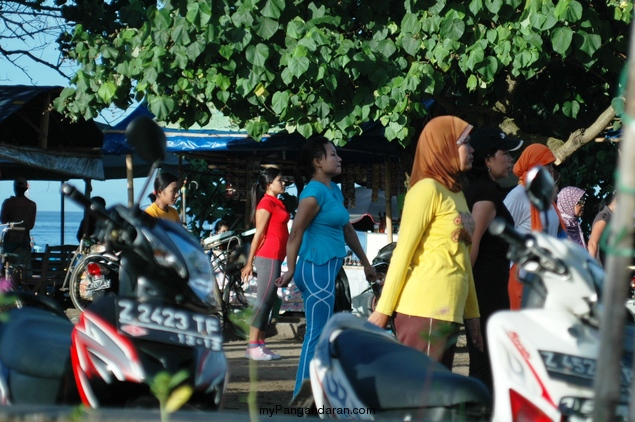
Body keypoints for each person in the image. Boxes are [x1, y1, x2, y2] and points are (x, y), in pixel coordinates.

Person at [368, 115, 482, 371]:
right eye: (465, 143)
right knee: (423, 400)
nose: (472, 150)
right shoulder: (426, 190)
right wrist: (383, 311)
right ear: (445, 146)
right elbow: (402, 254)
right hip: (425, 311)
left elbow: (462, 258)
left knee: (434, 401)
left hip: (448, 312)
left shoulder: (456, 193)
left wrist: (472, 315)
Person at [275, 136, 376, 398]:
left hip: (326, 269)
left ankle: (315, 395)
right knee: (316, 335)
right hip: (315, 268)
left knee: (321, 335)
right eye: (333, 154)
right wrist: (289, 269)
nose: (339, 158)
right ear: (318, 162)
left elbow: (347, 230)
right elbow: (295, 232)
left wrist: (366, 263)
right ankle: (302, 398)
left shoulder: (333, 190)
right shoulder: (313, 192)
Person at [463, 127, 523, 391]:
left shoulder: (482, 190)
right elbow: (470, 247)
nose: (510, 160)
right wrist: (464, 294)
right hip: (485, 293)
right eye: (505, 154)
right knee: (486, 365)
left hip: (488, 290)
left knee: (488, 363)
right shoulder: (486, 195)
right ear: (487, 159)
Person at [503, 144, 563, 309]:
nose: (551, 170)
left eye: (551, 166)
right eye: (546, 166)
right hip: (521, 275)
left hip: (545, 276)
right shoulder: (517, 196)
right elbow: (501, 235)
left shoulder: (546, 197)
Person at [240, 168, 289, 361]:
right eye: (280, 180)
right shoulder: (266, 203)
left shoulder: (277, 202)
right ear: (269, 184)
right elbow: (258, 234)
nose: (283, 183)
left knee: (268, 301)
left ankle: (260, 344)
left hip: (276, 256)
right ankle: (252, 346)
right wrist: (249, 263)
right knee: (263, 301)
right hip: (267, 256)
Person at [1, 177, 37, 275]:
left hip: (10, 243)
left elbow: (3, 220)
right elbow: (30, 225)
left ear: (14, 188)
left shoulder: (7, 203)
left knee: (8, 269)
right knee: (26, 270)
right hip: (24, 242)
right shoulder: (32, 205)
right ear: (25, 189)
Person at [588, 192, 616, 265]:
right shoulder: (604, 217)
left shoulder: (612, 218)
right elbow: (592, 243)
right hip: (601, 268)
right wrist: (591, 267)